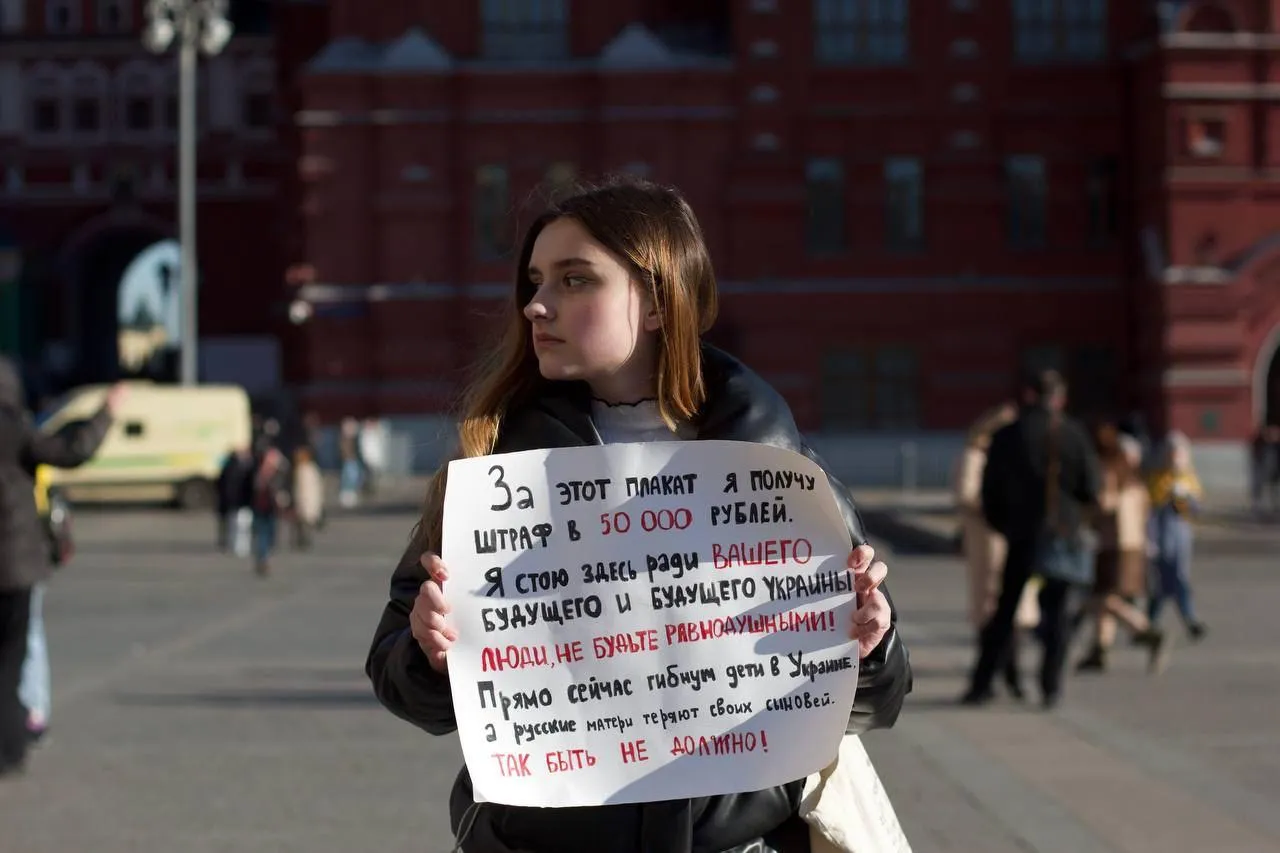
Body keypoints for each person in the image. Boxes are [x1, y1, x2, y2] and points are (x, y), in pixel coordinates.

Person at [365, 177, 912, 853]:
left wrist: (868, 643)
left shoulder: (776, 467)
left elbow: (876, 702)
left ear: (657, 300)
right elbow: (405, 685)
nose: (536, 305)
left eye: (574, 280)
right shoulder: (493, 472)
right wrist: (429, 653)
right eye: (535, 281)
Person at [0, 358, 124, 776]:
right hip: (16, 566)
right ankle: (11, 745)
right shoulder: (17, 432)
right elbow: (73, 450)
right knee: (13, 656)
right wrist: (106, 412)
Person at [962, 368, 1100, 709]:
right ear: (1060, 398)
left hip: (1021, 535)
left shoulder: (1008, 435)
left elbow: (989, 492)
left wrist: (1004, 525)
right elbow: (1091, 488)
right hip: (1061, 536)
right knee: (1057, 616)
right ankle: (1051, 687)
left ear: (1028, 395)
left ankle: (982, 683)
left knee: (1005, 611)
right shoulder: (1073, 433)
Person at [953, 402, 1039, 698]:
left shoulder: (1009, 452)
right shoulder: (976, 453)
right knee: (993, 607)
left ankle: (1007, 674)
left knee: (1013, 611)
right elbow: (966, 494)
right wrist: (998, 505)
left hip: (1008, 536)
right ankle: (994, 677)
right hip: (987, 540)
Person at [1075, 431, 1168, 673]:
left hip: (1116, 545)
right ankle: (1099, 649)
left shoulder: (1114, 478)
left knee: (1103, 599)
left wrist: (1085, 509)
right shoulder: (1136, 483)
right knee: (1105, 597)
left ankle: (1147, 632)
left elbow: (1105, 504)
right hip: (1130, 545)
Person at [1146, 431, 1207, 641]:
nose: (1175, 457)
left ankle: (1187, 619)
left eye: (1178, 453)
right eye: (1171, 452)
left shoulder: (1188, 478)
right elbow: (1150, 511)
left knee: (1178, 579)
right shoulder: (1156, 478)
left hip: (1181, 536)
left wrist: (1183, 499)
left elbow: (1194, 510)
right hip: (1159, 536)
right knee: (1162, 582)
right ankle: (1152, 622)